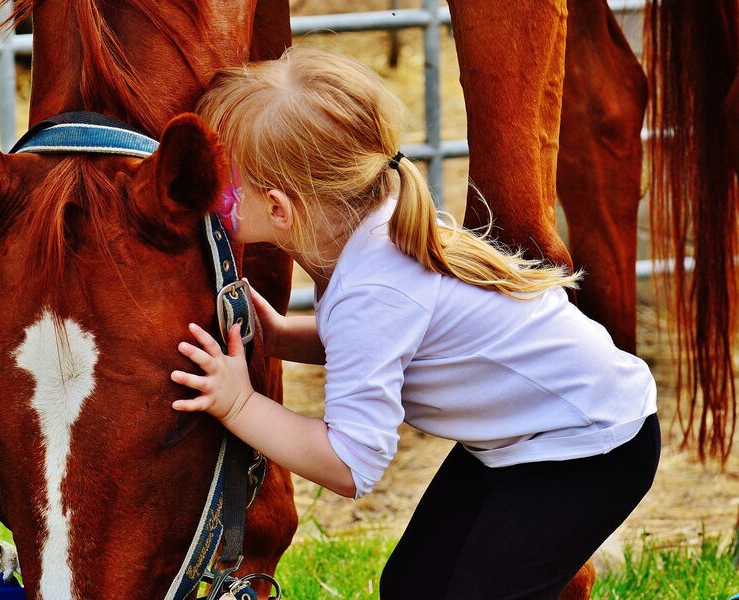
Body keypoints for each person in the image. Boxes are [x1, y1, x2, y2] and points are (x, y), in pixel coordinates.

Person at [170, 47, 659, 599]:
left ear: (281, 209)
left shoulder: (373, 288)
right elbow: (393, 344)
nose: (208, 200)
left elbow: (351, 464)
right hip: (538, 436)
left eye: (219, 186)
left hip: (591, 448)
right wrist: (284, 337)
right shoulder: (373, 230)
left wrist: (239, 405)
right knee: (412, 587)